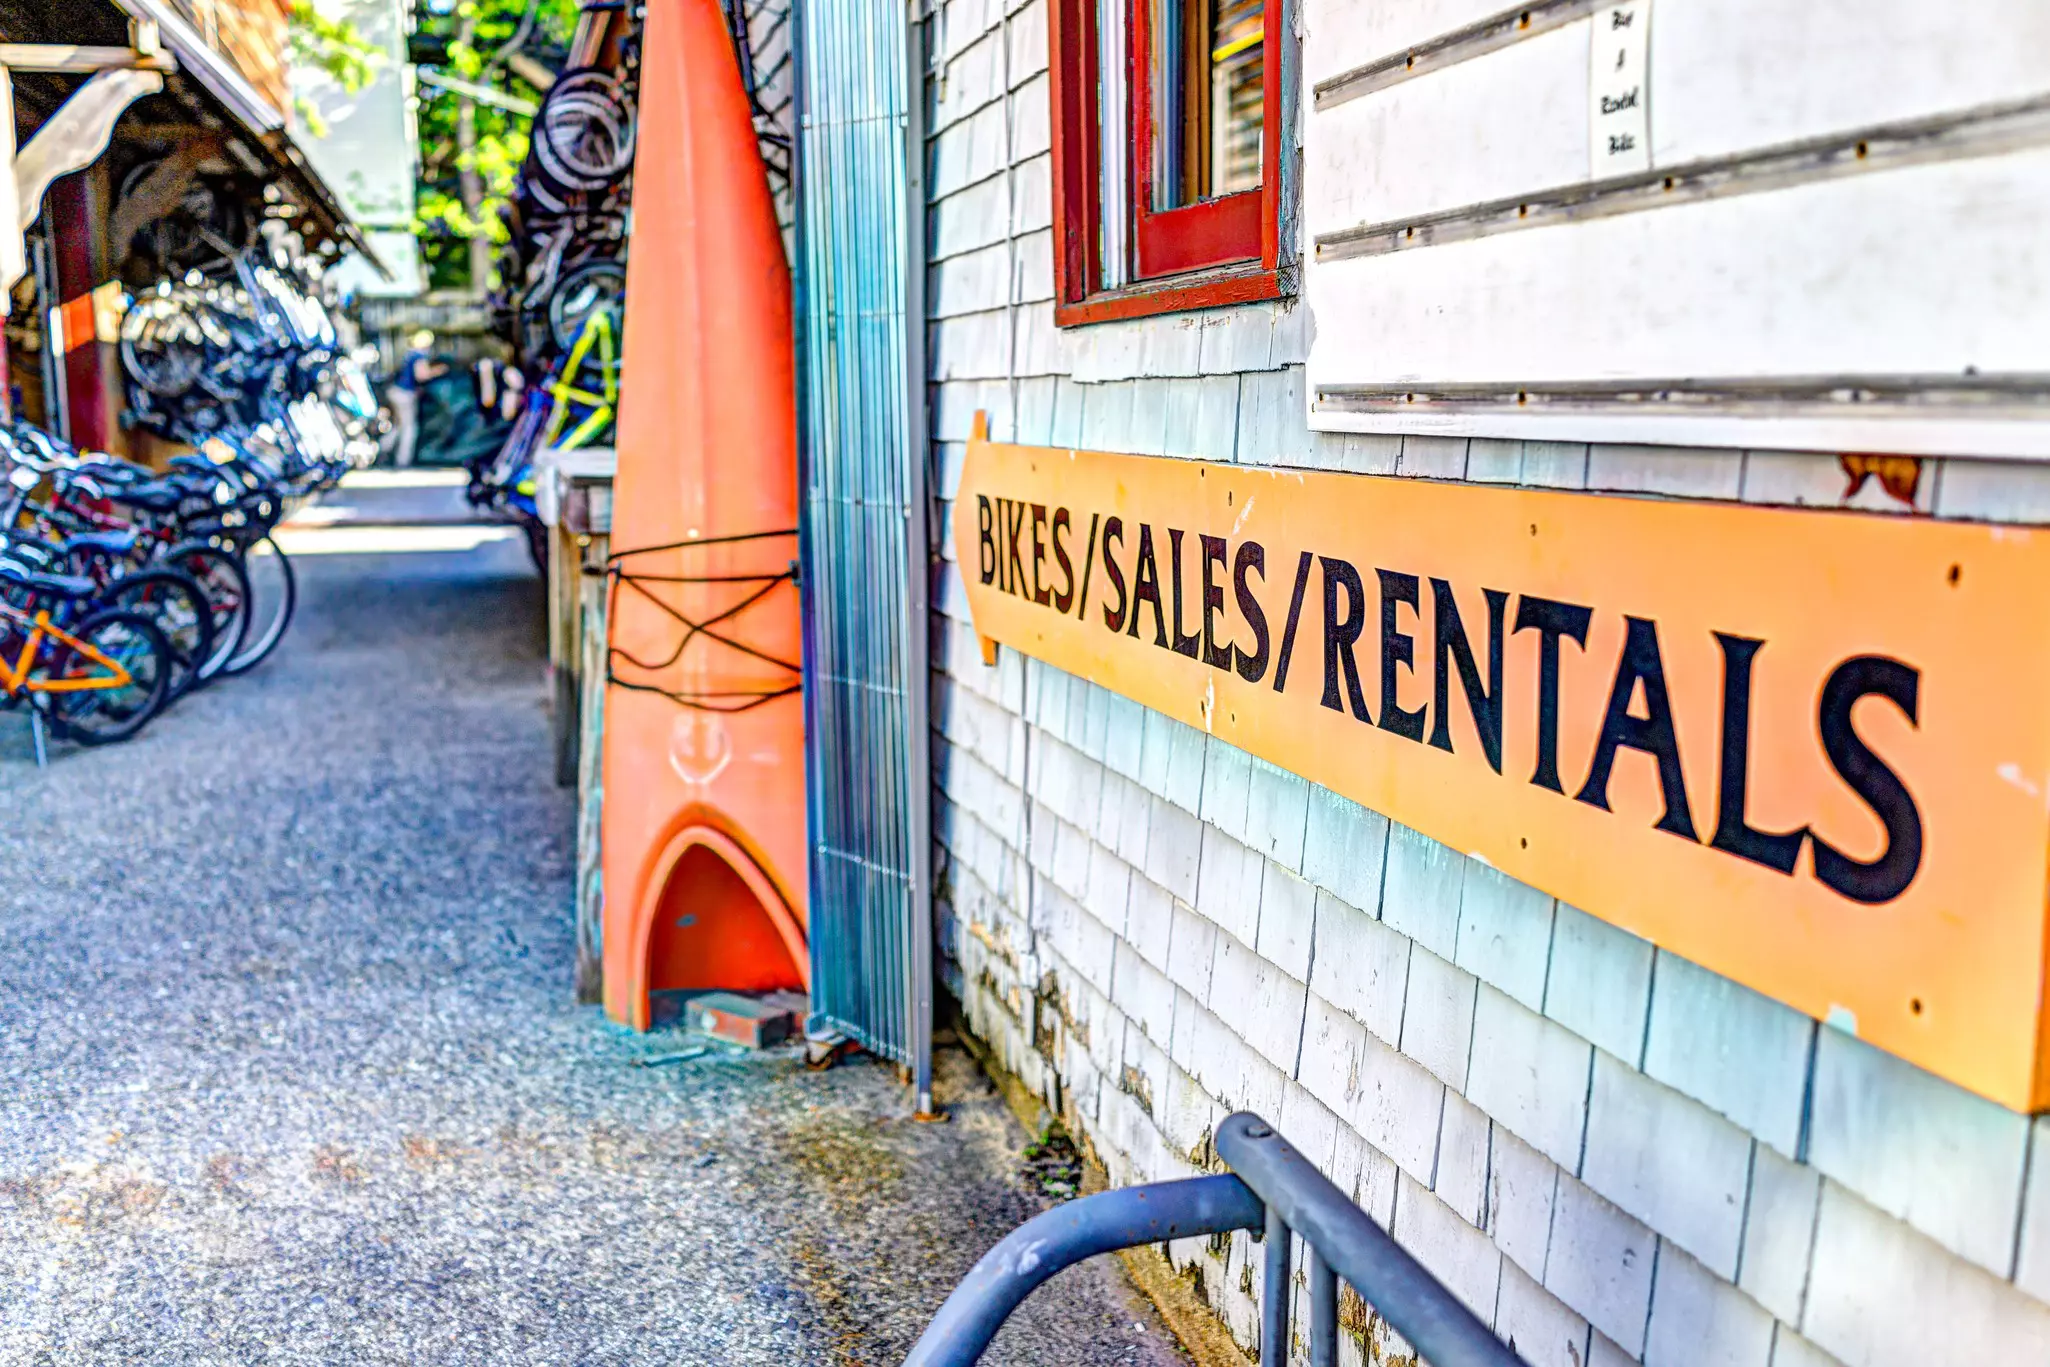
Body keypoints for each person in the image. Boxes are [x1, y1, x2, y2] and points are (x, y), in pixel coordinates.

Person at [387, 330, 448, 467]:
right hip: (404, 394)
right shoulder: (419, 355)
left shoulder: (409, 354)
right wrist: (438, 371)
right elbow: (421, 375)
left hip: (396, 391)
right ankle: (403, 461)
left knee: (399, 426)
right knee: (409, 428)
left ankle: (381, 449)